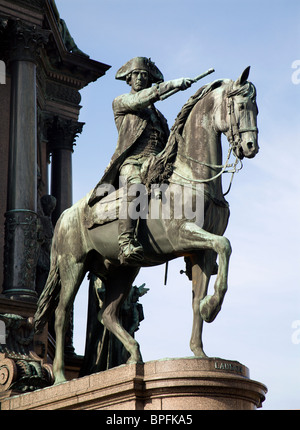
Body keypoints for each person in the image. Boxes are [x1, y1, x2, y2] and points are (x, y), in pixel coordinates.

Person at [88, 57, 193, 265]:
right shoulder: (121, 103)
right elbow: (140, 100)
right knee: (135, 188)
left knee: (186, 190)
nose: (140, 78)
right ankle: (126, 241)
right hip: (133, 162)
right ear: (128, 78)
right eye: (136, 74)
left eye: (144, 75)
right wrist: (172, 85)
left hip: (157, 164)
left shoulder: (158, 115)